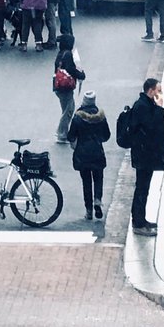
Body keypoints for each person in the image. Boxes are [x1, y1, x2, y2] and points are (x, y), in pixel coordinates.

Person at [129, 77, 164, 236]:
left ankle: (141, 219)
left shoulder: (146, 104)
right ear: (151, 90)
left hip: (147, 154)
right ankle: (138, 222)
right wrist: (159, 108)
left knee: (144, 189)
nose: (160, 94)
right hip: (143, 155)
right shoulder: (142, 106)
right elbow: (151, 125)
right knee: (141, 188)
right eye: (158, 90)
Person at [67, 89, 110, 220]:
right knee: (98, 178)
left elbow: (70, 136)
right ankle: (97, 199)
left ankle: (89, 211)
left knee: (86, 182)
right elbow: (106, 135)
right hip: (97, 152)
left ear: (84, 101)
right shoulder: (101, 116)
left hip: (82, 154)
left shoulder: (78, 117)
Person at [53, 30, 85, 142]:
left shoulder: (60, 54)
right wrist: (81, 74)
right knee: (68, 109)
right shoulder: (68, 54)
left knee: (66, 108)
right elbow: (71, 69)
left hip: (58, 85)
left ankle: (62, 131)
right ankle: (62, 133)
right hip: (65, 87)